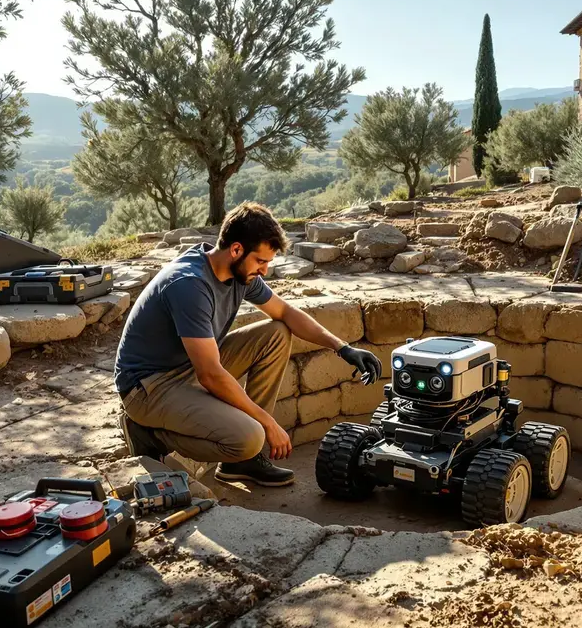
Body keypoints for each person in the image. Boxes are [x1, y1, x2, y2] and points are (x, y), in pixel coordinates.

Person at [114, 202, 382, 487]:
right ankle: (150, 435)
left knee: (277, 333)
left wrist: (342, 347)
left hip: (188, 366)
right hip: (149, 388)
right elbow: (210, 375)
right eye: (260, 261)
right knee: (250, 438)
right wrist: (268, 423)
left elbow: (286, 313)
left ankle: (241, 463)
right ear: (236, 249)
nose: (264, 270)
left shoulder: (238, 272)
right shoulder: (189, 285)